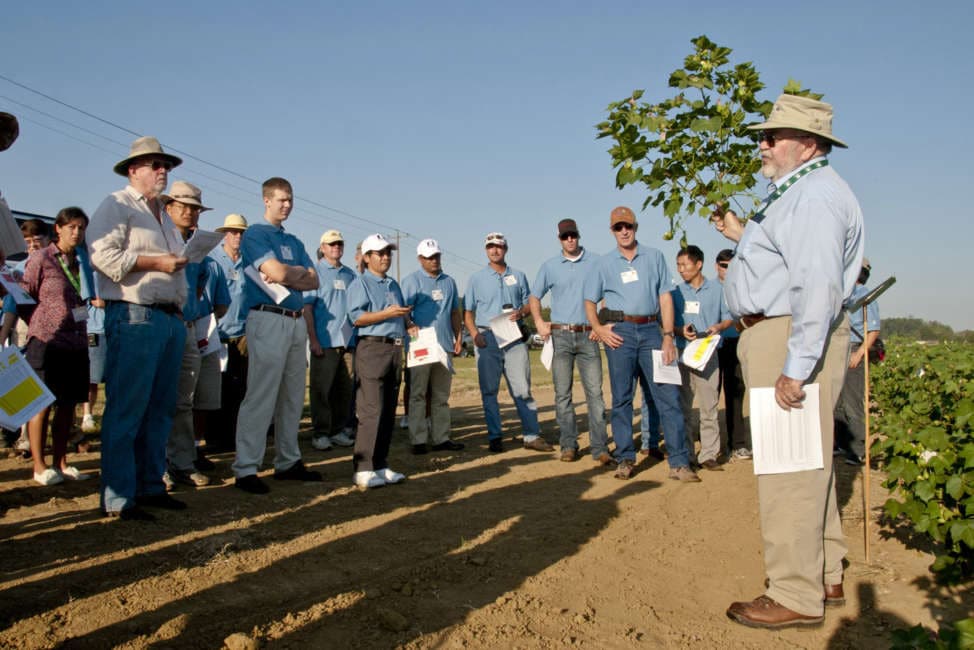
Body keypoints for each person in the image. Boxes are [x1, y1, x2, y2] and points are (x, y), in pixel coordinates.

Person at [714, 94, 863, 628]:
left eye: (773, 136)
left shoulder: (814, 198)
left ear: (808, 144)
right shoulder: (799, 193)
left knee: (788, 468)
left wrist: (796, 366)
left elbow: (817, 285)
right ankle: (824, 571)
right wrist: (740, 235)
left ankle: (795, 594)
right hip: (778, 332)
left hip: (788, 335)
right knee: (809, 461)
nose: (763, 143)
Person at [88, 136, 190, 521]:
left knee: (160, 409)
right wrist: (155, 263)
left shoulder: (164, 215)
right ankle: (118, 497)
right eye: (155, 165)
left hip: (167, 319)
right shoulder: (116, 204)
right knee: (127, 408)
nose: (163, 171)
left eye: (166, 165)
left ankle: (150, 485)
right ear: (134, 171)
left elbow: (176, 266)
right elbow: (101, 255)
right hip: (134, 316)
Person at [583, 206, 698, 482]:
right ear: (612, 231)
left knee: (667, 396)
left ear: (636, 227)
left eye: (628, 226)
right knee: (622, 398)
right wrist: (598, 328)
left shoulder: (655, 257)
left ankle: (679, 462)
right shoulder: (603, 263)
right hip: (619, 333)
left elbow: (665, 299)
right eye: (618, 228)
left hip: (651, 331)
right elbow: (589, 301)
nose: (624, 231)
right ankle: (625, 458)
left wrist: (668, 335)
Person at [232, 177, 320, 494]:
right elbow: (283, 274)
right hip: (268, 318)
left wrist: (289, 273)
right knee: (261, 395)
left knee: (293, 396)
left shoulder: (294, 240)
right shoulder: (256, 234)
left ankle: (287, 461)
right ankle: (246, 467)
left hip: (296, 320)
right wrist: (292, 273)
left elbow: (314, 281)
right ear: (266, 200)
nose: (287, 205)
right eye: (281, 199)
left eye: (290, 199)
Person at [20, 207, 95, 485]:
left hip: (76, 341)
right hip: (47, 342)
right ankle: (40, 466)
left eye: (81, 228)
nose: (76, 233)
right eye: (72, 227)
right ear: (58, 228)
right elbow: (25, 295)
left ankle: (61, 462)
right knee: (42, 403)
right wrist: (40, 324)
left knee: (68, 405)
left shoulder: (82, 260)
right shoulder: (42, 258)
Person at [161, 181, 225, 488]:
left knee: (184, 400)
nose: (190, 212)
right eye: (183, 206)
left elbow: (199, 288)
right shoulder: (158, 238)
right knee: (157, 397)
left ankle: (183, 463)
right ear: (169, 207)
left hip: (186, 327)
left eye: (195, 208)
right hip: (159, 322)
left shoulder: (199, 248)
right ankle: (156, 464)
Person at [529, 219, 608, 463]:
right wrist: (539, 322)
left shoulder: (596, 262)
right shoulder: (550, 266)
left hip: (589, 335)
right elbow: (534, 297)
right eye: (565, 236)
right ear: (559, 239)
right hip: (560, 336)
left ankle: (600, 448)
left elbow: (606, 296)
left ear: (579, 235)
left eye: (573, 235)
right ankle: (568, 445)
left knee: (595, 393)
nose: (570, 240)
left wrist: (600, 324)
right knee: (562, 394)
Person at [463, 232, 548, 453]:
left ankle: (531, 435)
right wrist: (474, 335)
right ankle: (495, 436)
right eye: (490, 247)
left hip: (514, 338)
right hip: (487, 337)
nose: (494, 250)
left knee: (522, 388)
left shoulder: (518, 275)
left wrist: (521, 312)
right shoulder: (476, 279)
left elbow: (531, 302)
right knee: (489, 390)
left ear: (505, 249)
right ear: (486, 250)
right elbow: (468, 312)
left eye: (498, 246)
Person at [346, 233, 414, 489]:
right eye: (380, 253)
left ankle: (380, 464)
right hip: (372, 347)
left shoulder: (393, 284)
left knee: (387, 411)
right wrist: (387, 314)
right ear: (366, 257)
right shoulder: (360, 283)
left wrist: (408, 323)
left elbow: (399, 314)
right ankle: (363, 468)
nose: (385, 257)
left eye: (388, 253)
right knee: (371, 410)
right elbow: (357, 318)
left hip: (395, 348)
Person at [672, 245, 734, 470]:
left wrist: (718, 326)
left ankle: (708, 454)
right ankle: (687, 453)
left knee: (710, 405)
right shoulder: (676, 292)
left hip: (708, 353)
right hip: (684, 355)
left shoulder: (718, 290)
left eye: (685, 265)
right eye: (678, 265)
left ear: (698, 264)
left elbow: (728, 318)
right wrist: (680, 331)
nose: (681, 269)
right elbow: (667, 322)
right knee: (684, 406)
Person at [401, 238, 464, 454]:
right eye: (429, 257)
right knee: (418, 393)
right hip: (421, 345)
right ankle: (418, 440)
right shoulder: (411, 281)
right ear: (420, 259)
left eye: (436, 256)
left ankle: (441, 438)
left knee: (441, 396)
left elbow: (455, 312)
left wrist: (458, 336)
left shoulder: (449, 282)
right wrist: (409, 325)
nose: (434, 260)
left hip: (444, 345)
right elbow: (404, 312)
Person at [304, 229, 357, 451]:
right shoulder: (314, 272)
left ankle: (338, 430)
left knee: (345, 391)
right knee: (321, 390)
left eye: (339, 244)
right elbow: (307, 309)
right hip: (324, 342)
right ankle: (321, 433)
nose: (336, 247)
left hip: (348, 342)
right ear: (323, 247)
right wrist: (313, 340)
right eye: (332, 244)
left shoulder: (350, 274)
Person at [834, 258, 880, 466]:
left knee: (852, 402)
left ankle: (857, 450)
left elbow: (873, 330)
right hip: (838, 348)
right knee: (837, 401)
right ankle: (841, 443)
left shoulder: (866, 296)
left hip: (853, 349)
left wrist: (860, 354)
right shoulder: (844, 294)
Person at [210, 213, 249, 452]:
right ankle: (215, 439)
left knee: (241, 388)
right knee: (217, 388)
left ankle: (236, 437)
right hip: (219, 333)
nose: (238, 236)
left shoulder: (249, 262)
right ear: (225, 233)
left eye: (241, 232)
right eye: (234, 232)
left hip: (243, 334)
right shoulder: (213, 260)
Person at [715, 249, 750, 461]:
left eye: (731, 265)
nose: (727, 269)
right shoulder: (710, 288)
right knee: (710, 394)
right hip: (713, 345)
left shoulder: (743, 288)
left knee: (735, 393)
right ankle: (712, 444)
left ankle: (738, 443)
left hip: (736, 343)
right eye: (723, 265)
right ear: (716, 266)